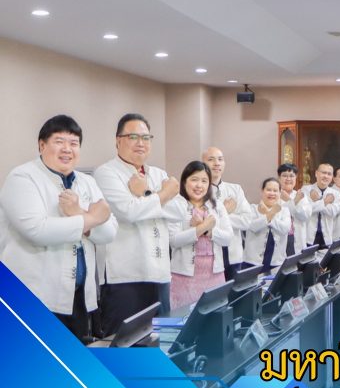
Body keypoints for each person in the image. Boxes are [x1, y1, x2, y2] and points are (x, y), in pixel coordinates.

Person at [0, 115, 117, 340]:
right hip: (33, 297)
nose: (67, 149)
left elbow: (109, 232)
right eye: (59, 141)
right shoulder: (22, 177)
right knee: (36, 359)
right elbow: (37, 230)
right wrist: (91, 218)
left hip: (78, 298)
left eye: (74, 143)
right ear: (41, 145)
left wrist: (79, 213)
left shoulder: (87, 181)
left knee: (75, 358)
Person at [94, 113, 178, 332]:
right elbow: (128, 212)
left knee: (161, 339)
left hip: (160, 273)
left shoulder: (158, 173)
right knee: (126, 342)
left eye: (146, 137)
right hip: (125, 276)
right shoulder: (106, 173)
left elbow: (180, 212)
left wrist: (146, 193)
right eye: (133, 137)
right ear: (118, 140)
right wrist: (162, 195)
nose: (141, 143)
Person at [167, 161, 233, 311]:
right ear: (185, 181)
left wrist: (209, 231)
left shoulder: (217, 205)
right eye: (194, 180)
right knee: (184, 318)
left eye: (204, 181)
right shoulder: (175, 205)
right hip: (184, 276)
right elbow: (174, 240)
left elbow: (228, 238)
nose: (199, 185)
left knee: (215, 317)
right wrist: (201, 228)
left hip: (215, 274)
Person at [202, 147, 253, 280]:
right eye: (211, 159)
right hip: (207, 257)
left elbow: (247, 220)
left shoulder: (235, 189)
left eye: (220, 159)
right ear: (203, 163)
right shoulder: (198, 190)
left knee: (235, 291)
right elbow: (201, 223)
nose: (217, 163)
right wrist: (225, 212)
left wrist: (222, 215)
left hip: (233, 256)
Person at [243, 178, 292, 271]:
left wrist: (268, 214)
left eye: (275, 191)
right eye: (268, 190)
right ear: (262, 191)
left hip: (277, 261)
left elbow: (285, 228)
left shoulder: (284, 210)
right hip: (252, 262)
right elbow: (252, 226)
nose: (272, 193)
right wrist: (271, 214)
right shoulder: (252, 208)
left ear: (280, 193)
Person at [301, 162, 340, 248]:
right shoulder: (306, 190)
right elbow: (307, 209)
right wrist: (325, 201)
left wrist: (318, 200)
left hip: (326, 238)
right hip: (308, 237)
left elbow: (332, 212)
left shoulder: (335, 194)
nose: (326, 176)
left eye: (329, 174)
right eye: (323, 173)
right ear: (316, 173)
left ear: (332, 177)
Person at [278, 163, 311, 255]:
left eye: (291, 176)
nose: (288, 179)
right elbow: (278, 215)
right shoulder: (274, 195)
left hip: (298, 238)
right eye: (285, 175)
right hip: (280, 238)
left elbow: (304, 216)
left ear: (296, 178)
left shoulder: (301, 196)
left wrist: (289, 200)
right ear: (279, 178)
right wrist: (294, 202)